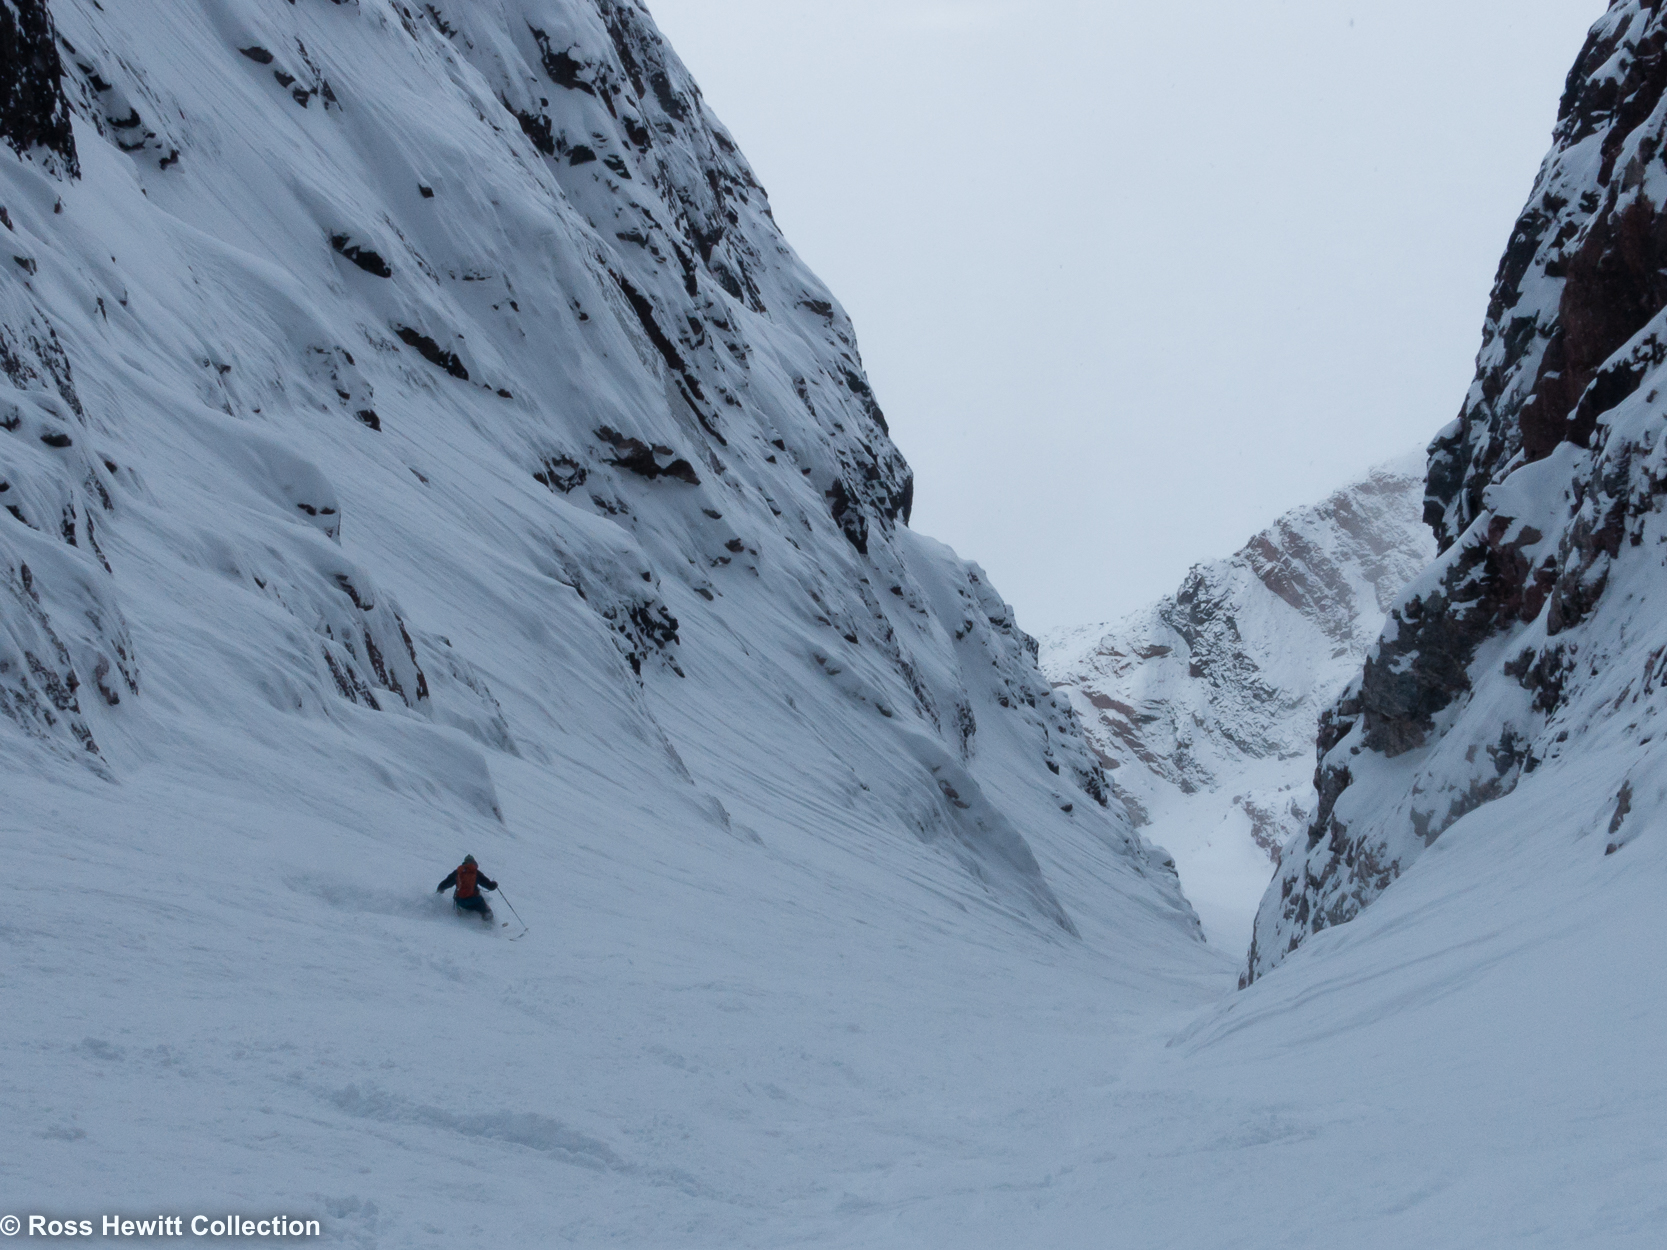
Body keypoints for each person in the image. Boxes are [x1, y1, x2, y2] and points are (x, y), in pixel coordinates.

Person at [437, 854, 498, 922]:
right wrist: (494, 884)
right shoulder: (476, 873)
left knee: (466, 904)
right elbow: (490, 887)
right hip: (475, 901)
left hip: (460, 901)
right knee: (485, 910)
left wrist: (440, 889)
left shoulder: (458, 872)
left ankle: (463, 923)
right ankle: (489, 927)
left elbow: (445, 884)